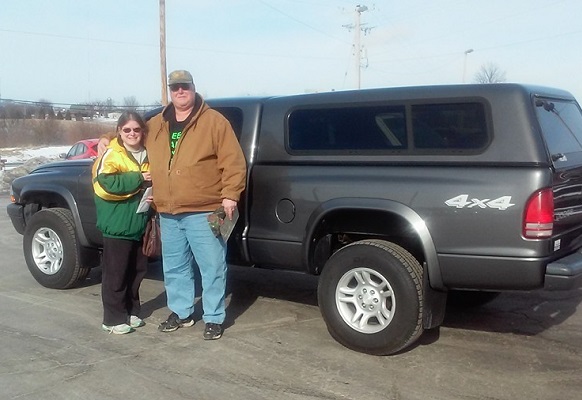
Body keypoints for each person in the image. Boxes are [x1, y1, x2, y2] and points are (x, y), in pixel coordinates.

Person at [99, 70, 246, 340]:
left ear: (193, 88)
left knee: (212, 266)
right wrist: (106, 138)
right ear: (170, 90)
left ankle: (214, 317)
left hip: (203, 209)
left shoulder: (214, 122)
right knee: (175, 267)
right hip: (167, 211)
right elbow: (130, 130)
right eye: (175, 87)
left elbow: (233, 161)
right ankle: (182, 312)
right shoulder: (156, 123)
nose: (180, 91)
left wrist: (231, 194)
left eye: (184, 86)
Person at [93, 111, 152, 334]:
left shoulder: (148, 153)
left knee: (137, 271)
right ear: (119, 131)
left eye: (136, 129)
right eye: (126, 129)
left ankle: (132, 311)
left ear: (142, 131)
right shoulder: (112, 153)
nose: (132, 133)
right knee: (115, 273)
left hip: (139, 222)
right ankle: (113, 318)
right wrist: (139, 178)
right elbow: (104, 183)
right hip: (117, 224)